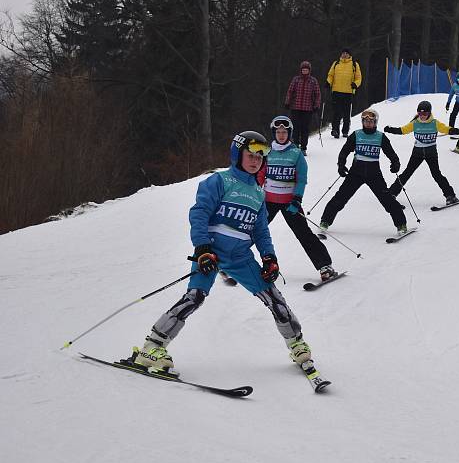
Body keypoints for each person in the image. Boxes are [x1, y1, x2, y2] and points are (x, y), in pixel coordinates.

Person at [131, 131, 314, 375]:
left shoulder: (259, 193)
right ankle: (152, 347)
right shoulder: (219, 182)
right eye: (250, 156)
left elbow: (260, 231)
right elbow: (199, 214)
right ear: (238, 155)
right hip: (211, 254)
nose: (255, 162)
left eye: (259, 158)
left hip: (241, 259)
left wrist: (269, 257)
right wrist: (203, 248)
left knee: (274, 298)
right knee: (194, 297)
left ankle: (296, 343)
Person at [257, 116, 337, 282]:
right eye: (278, 132)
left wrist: (297, 199)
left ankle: (325, 266)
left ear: (289, 133)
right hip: (268, 202)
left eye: (284, 132)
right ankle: (229, 263)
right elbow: (260, 174)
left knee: (304, 234)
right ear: (274, 133)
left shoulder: (296, 153)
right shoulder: (267, 152)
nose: (281, 135)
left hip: (289, 203)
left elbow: (301, 178)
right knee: (253, 230)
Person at [319, 109, 408, 236]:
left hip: (374, 174)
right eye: (365, 121)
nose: (368, 123)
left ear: (375, 122)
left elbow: (391, 153)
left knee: (387, 199)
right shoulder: (356, 135)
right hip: (356, 173)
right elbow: (344, 151)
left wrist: (395, 163)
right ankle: (325, 221)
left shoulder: (380, 136)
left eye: (371, 121)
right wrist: (341, 165)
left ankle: (401, 224)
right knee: (341, 197)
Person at [384, 100, 459, 206]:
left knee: (436, 174)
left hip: (431, 153)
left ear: (429, 113)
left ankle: (450, 196)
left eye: (424, 113)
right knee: (407, 173)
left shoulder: (435, 123)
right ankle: (392, 193)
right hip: (417, 153)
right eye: (420, 113)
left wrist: (458, 131)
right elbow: (403, 130)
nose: (422, 116)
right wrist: (391, 129)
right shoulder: (415, 123)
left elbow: (446, 129)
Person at [284, 61, 321, 155]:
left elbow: (317, 94)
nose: (305, 71)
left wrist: (316, 105)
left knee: (305, 128)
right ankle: (296, 145)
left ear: (309, 71)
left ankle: (303, 147)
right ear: (301, 70)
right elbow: (290, 91)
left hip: (307, 109)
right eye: (303, 70)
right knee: (296, 127)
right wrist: (287, 102)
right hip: (295, 107)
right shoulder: (296, 80)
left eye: (306, 70)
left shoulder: (313, 81)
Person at [326, 48, 362, 138]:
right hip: (336, 91)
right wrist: (328, 82)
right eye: (343, 53)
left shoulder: (354, 64)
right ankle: (335, 130)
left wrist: (355, 84)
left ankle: (345, 131)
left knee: (346, 113)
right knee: (336, 112)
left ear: (349, 55)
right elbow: (330, 75)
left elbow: (359, 77)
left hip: (348, 92)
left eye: (346, 53)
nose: (344, 55)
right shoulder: (336, 63)